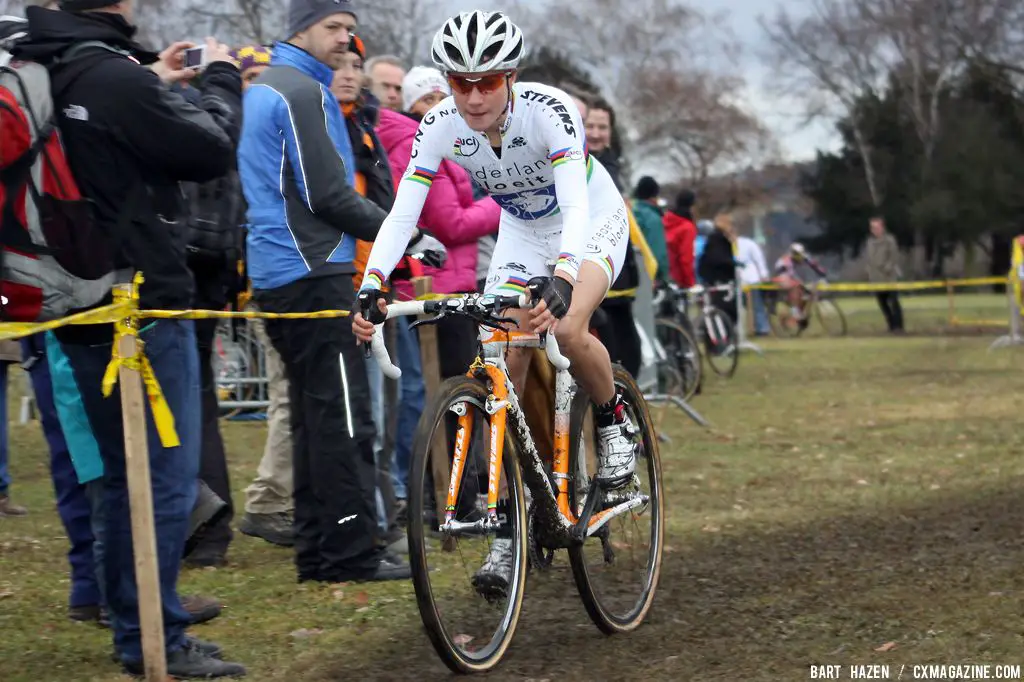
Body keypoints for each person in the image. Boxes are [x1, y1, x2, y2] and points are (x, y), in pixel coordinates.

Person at [352, 10, 639, 595]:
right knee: (500, 363)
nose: (475, 95)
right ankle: (512, 524)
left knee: (566, 327)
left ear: (510, 76)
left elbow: (574, 204)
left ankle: (614, 420)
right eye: (461, 82)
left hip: (587, 216)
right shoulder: (437, 125)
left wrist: (562, 277)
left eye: (488, 81)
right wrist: (375, 279)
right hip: (520, 230)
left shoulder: (550, 110)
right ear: (447, 82)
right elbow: (404, 210)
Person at [15, 0, 246, 676]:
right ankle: (155, 640)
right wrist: (220, 80)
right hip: (136, 301)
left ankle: (139, 624)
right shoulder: (110, 79)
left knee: (123, 478)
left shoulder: (49, 66)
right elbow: (208, 150)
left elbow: (105, 139)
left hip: (75, 291)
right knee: (162, 479)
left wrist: (155, 79)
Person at [237, 0, 409, 584]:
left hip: (283, 273)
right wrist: (403, 234)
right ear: (300, 29)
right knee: (341, 420)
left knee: (313, 420)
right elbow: (328, 195)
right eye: (334, 27)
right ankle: (350, 555)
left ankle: (318, 553)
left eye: (351, 31)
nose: (345, 41)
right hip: (311, 273)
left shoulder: (271, 85)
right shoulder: (300, 91)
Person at [773, 242, 828, 329]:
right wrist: (799, 283)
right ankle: (794, 311)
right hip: (782, 275)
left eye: (800, 254)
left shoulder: (804, 256)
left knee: (805, 293)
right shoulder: (786, 260)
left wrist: (823, 275)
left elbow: (814, 265)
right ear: (792, 253)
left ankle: (799, 313)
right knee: (796, 285)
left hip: (790, 275)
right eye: (797, 255)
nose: (800, 257)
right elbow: (789, 274)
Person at [866, 215, 904, 333]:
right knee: (883, 304)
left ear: (882, 227)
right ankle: (891, 325)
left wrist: (888, 267)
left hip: (889, 278)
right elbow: (869, 259)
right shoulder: (870, 242)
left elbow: (894, 256)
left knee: (894, 302)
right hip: (876, 279)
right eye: (872, 228)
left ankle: (899, 327)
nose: (875, 230)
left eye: (877, 227)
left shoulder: (890, 240)